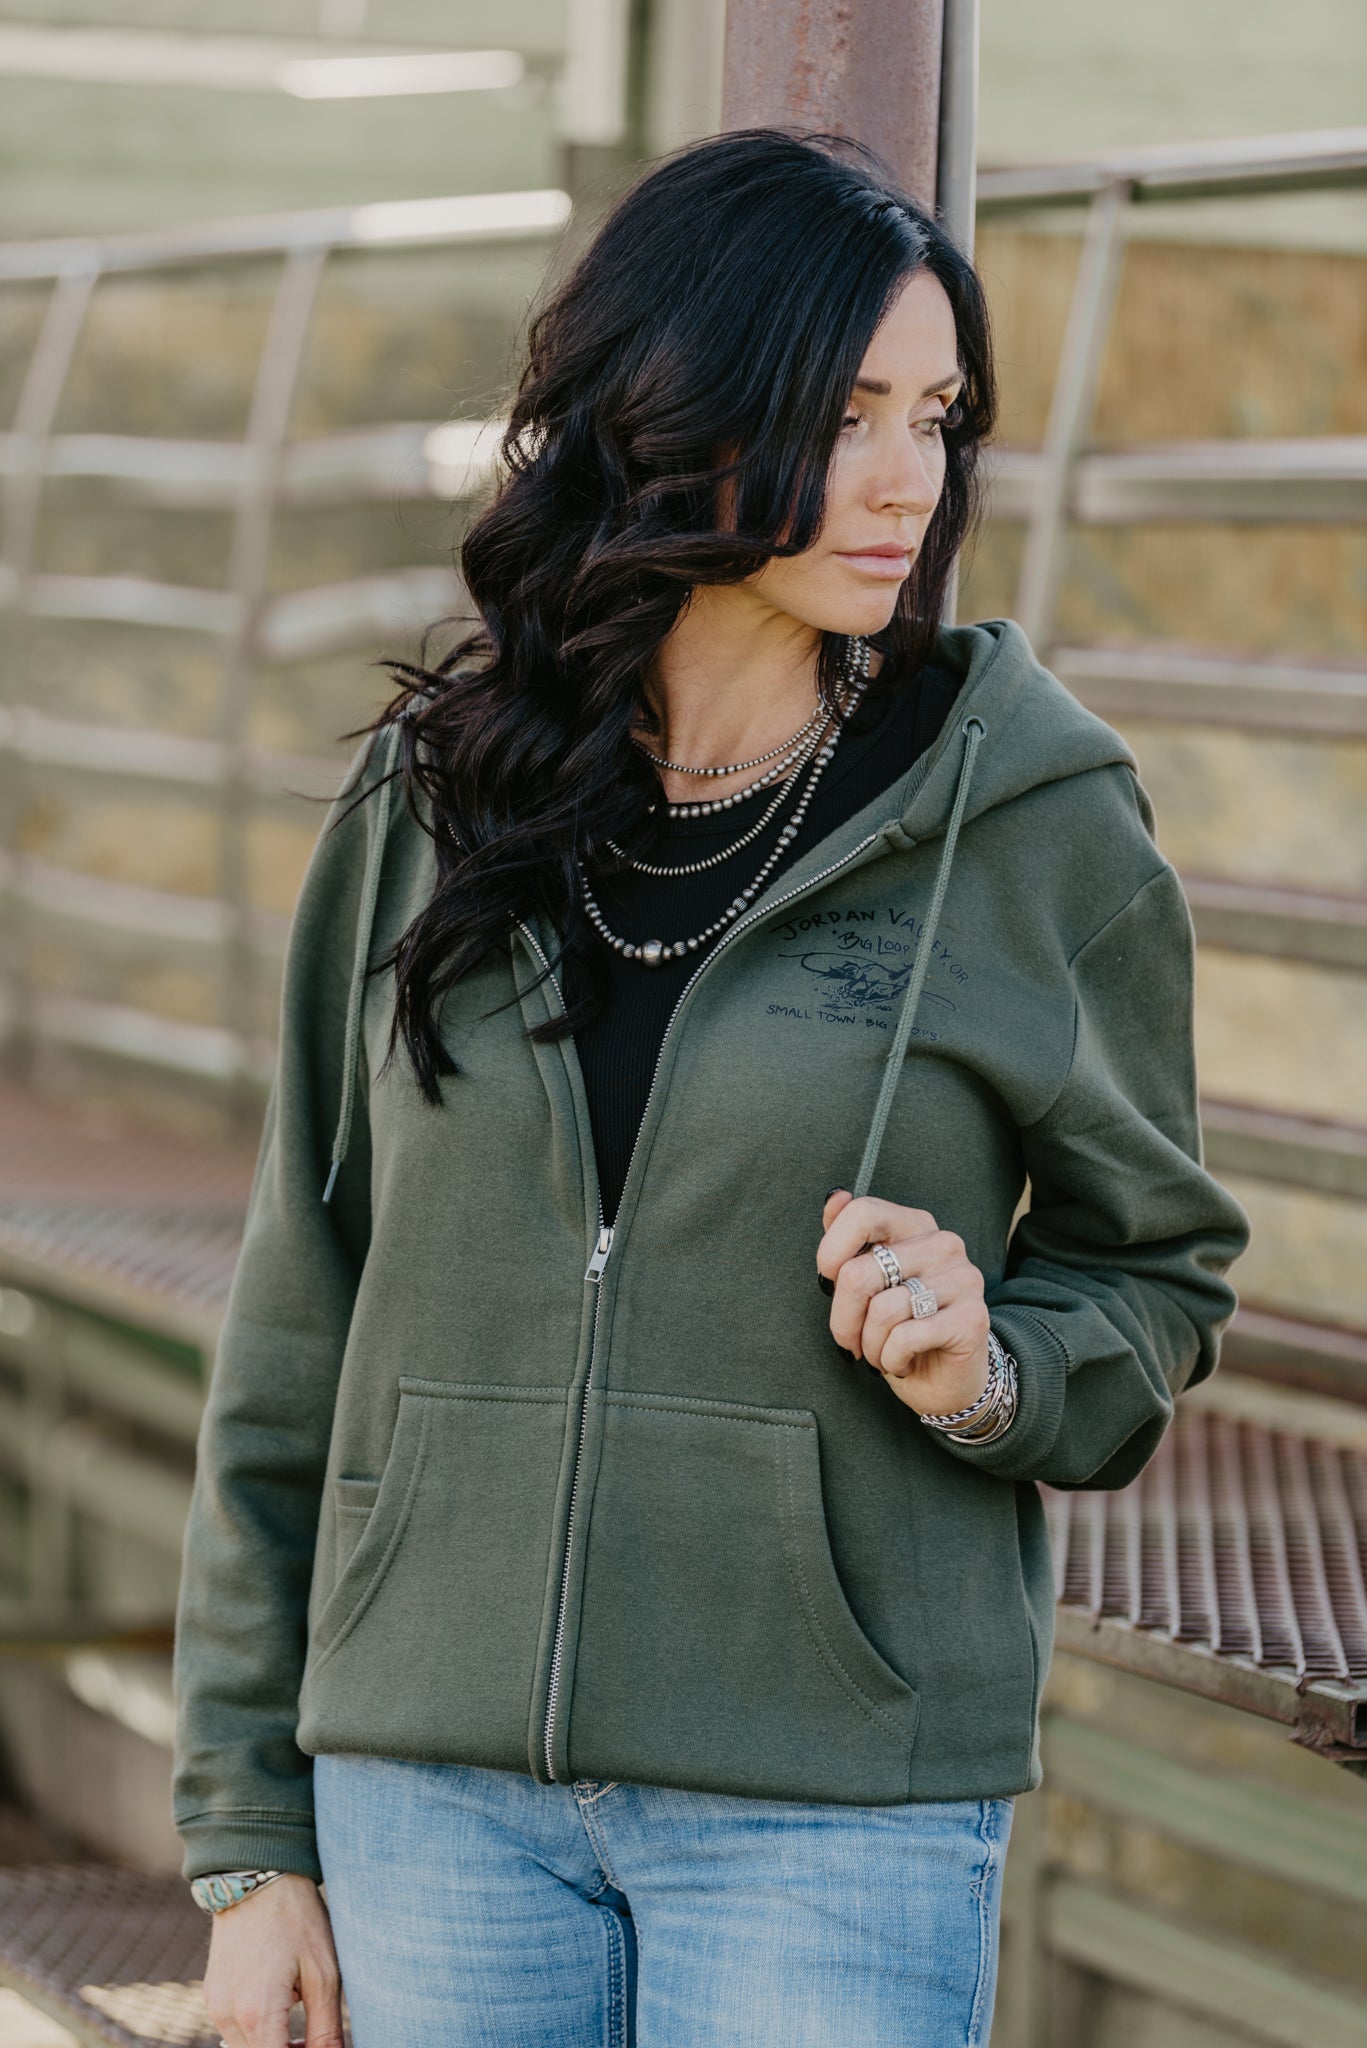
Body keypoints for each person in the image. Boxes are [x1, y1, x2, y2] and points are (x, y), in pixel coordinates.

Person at [173, 130, 1250, 2048]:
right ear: (675, 410)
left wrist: (992, 1367)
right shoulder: (434, 805)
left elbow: (1155, 1274)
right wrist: (252, 1843)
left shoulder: (1032, 819)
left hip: (825, 1814)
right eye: (845, 415)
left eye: (937, 416)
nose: (911, 478)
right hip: (430, 1795)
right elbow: (298, 1317)